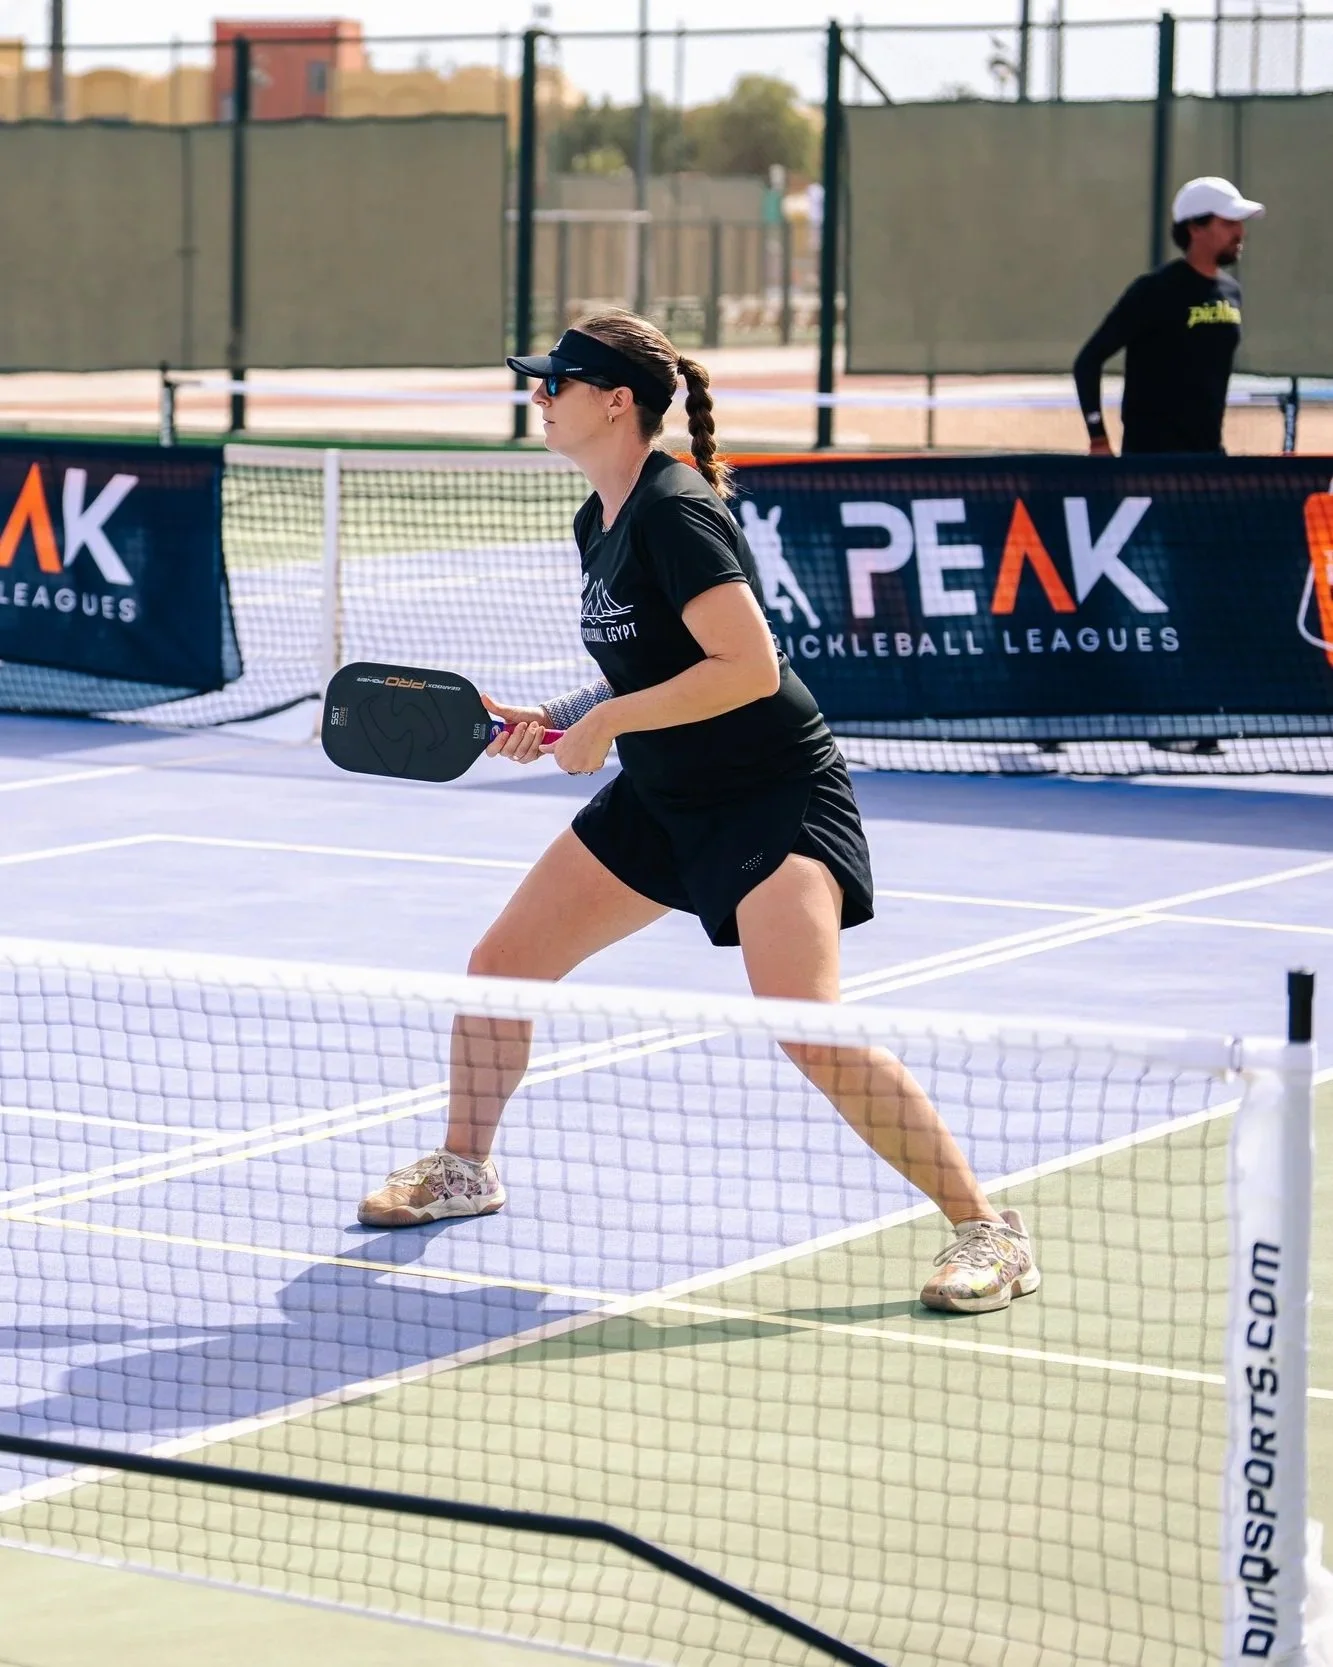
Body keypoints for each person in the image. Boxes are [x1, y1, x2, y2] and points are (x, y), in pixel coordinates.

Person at [356, 310, 1040, 1316]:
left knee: (805, 1027)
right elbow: (645, 665)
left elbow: (748, 667)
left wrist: (611, 722)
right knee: (502, 965)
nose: (538, 395)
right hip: (663, 791)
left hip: (767, 793)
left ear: (614, 401)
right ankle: (465, 1164)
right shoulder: (599, 517)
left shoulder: (675, 511)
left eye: (555, 382)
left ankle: (987, 1228)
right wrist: (561, 715)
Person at [1074, 175, 1264, 457]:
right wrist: (1098, 438)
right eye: (1228, 223)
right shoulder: (1154, 290)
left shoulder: (1231, 292)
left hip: (1209, 460)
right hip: (1152, 463)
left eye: (1240, 223)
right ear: (1195, 227)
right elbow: (1088, 361)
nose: (1240, 233)